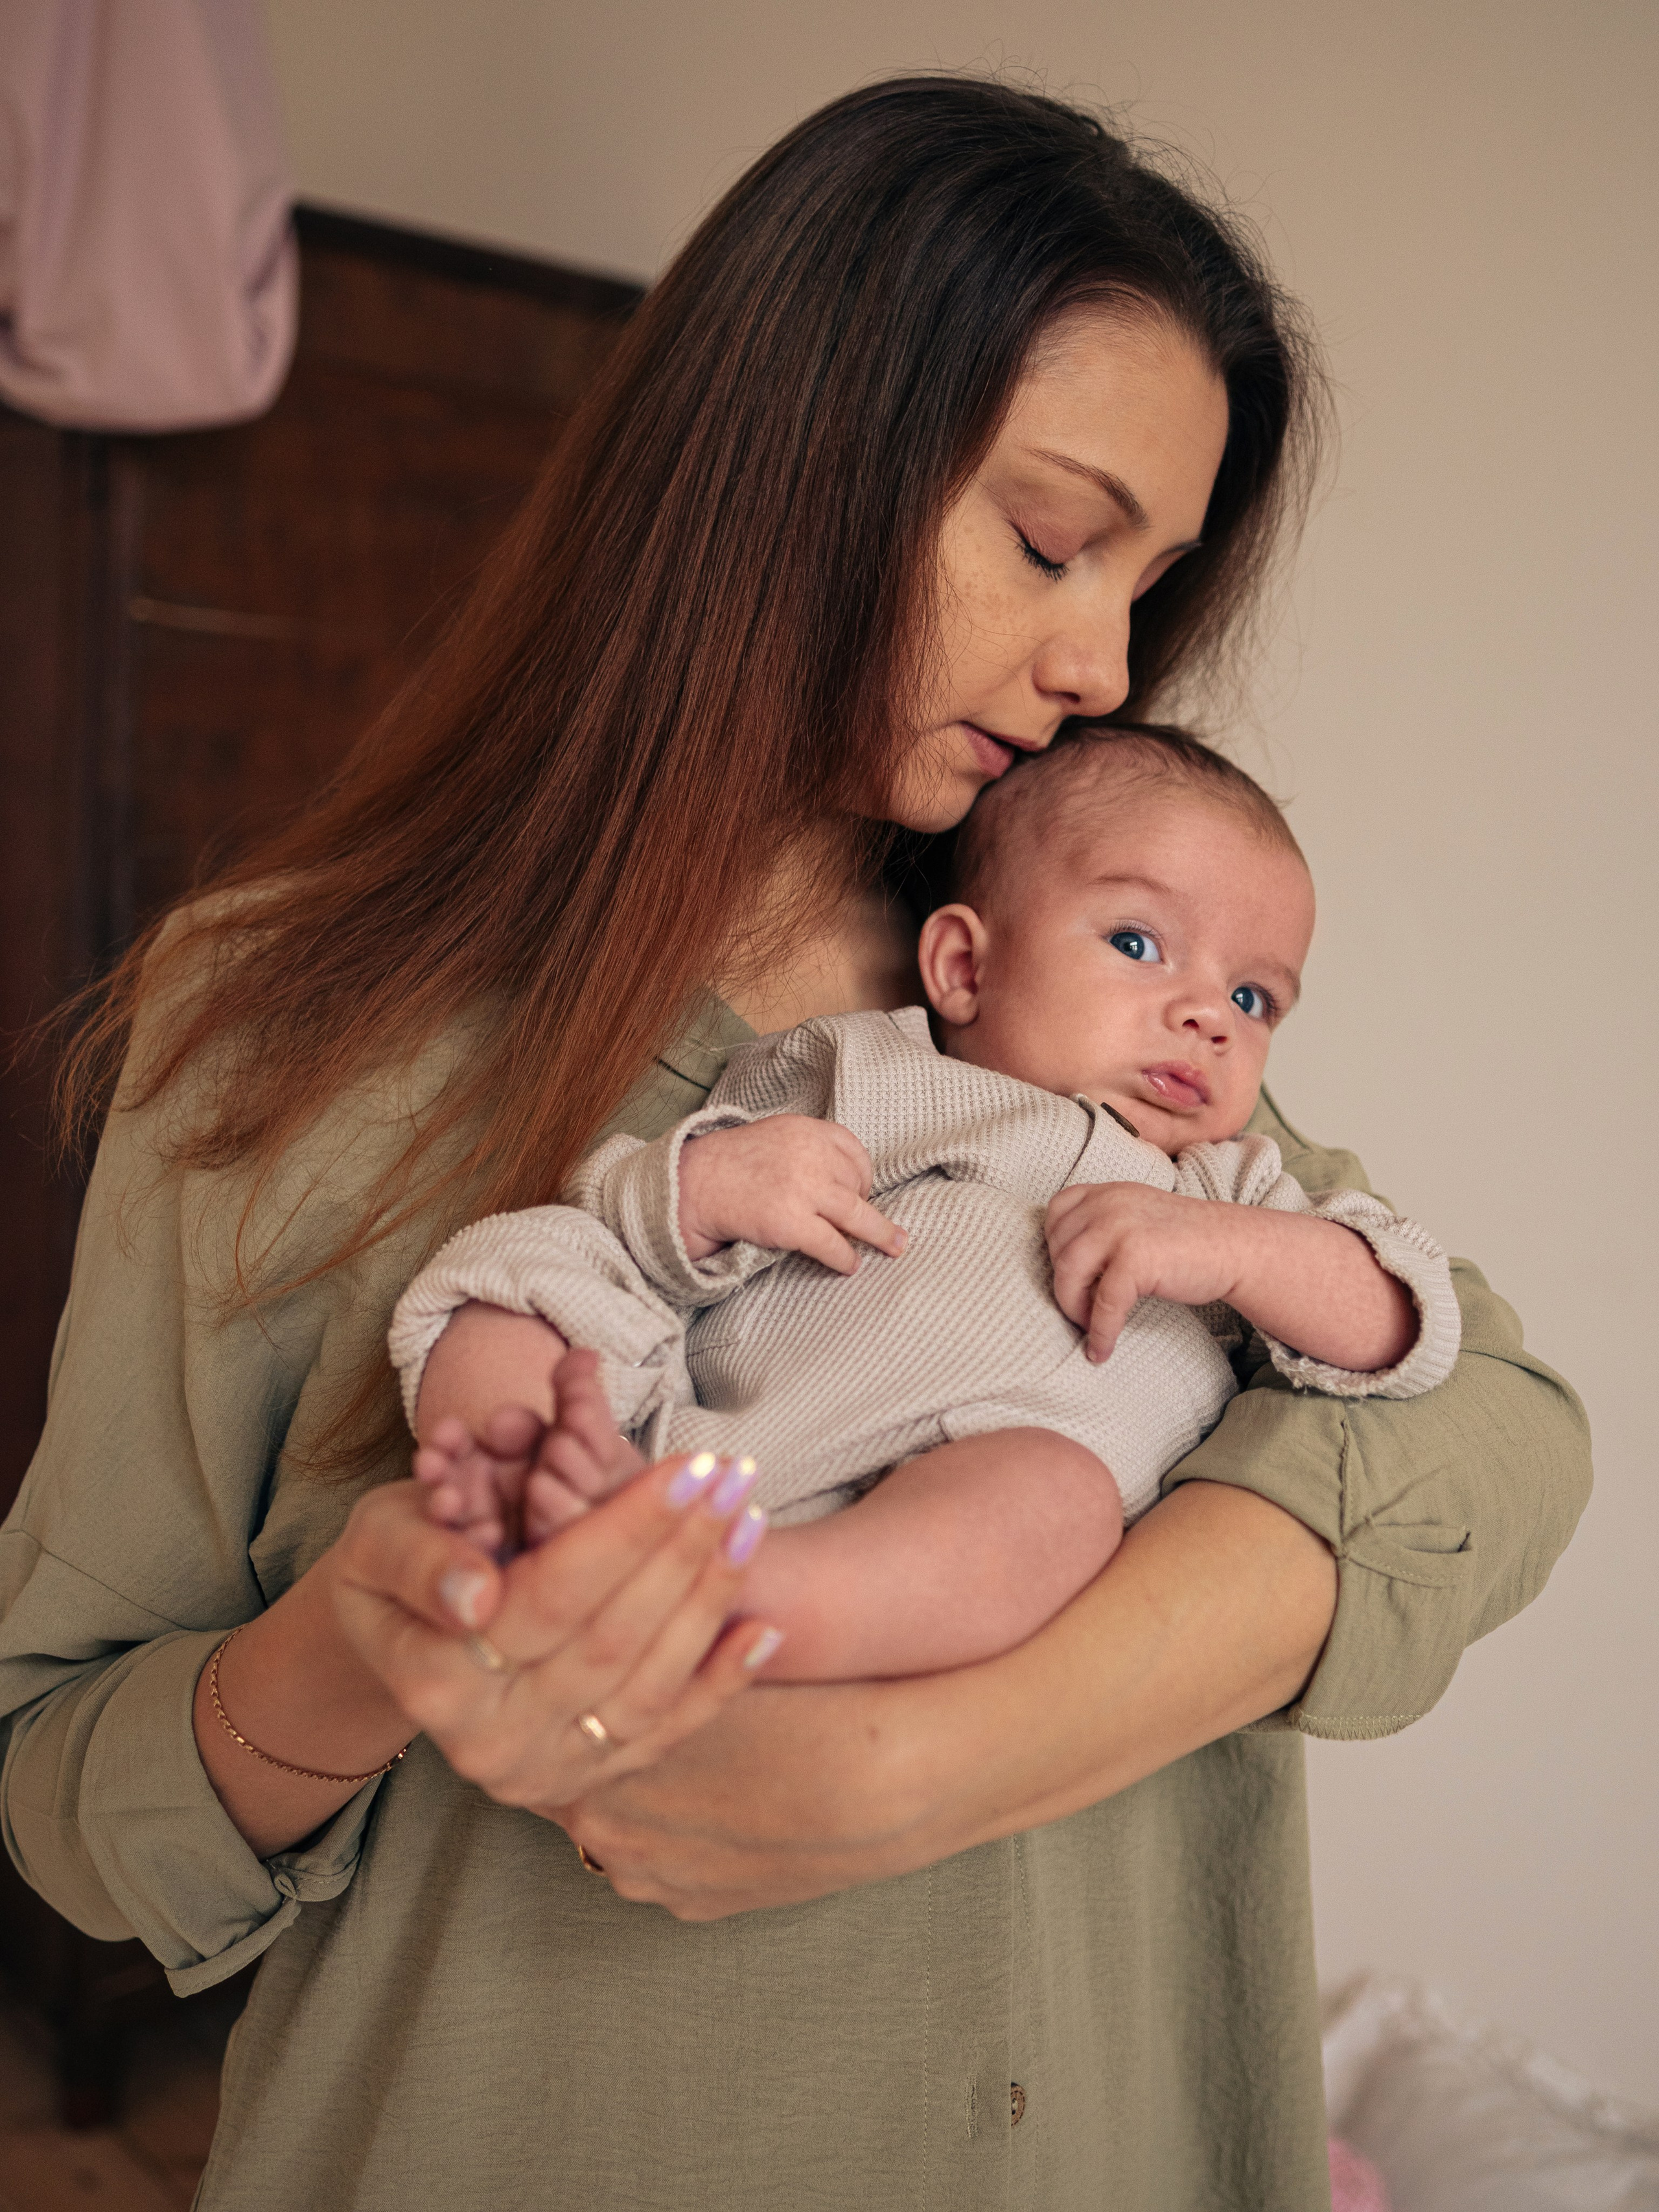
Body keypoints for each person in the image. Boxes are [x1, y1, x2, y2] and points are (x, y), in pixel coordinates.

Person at [0, 76, 1588, 2212]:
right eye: (1049, 536)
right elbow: (64, 1785)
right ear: (791, 450)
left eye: (1150, 579)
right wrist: (360, 1650)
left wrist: (940, 1751)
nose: (1102, 661)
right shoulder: (275, 1027)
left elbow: (1499, 1431)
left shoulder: (1064, 1029)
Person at [392, 726, 1462, 1684]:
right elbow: (638, 1225)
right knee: (523, 1268)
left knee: (1063, 1501)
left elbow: (1401, 1327)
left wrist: (1232, 1250)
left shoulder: (1226, 1186)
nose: (1208, 1019)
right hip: (704, 1441)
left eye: (1254, 997)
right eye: (1139, 944)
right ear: (962, 966)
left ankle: (755, 1600)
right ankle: (529, 1495)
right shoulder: (878, 1073)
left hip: (939, 1531)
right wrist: (718, 1182)